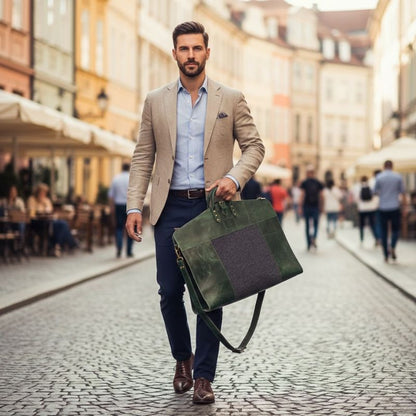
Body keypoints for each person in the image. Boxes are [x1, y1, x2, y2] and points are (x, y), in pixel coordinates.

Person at [125, 21, 264, 405]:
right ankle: (182, 358)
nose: (190, 55)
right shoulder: (155, 100)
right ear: (174, 54)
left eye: (196, 49)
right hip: (168, 207)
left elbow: (254, 147)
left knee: (210, 295)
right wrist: (135, 205)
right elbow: (143, 157)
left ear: (207, 52)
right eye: (183, 49)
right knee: (170, 291)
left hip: (213, 210)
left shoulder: (230, 98)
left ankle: (203, 377)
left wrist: (234, 179)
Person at [27, 183, 78, 256]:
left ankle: (55, 245)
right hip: (37, 222)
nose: (43, 194)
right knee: (61, 225)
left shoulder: (47, 200)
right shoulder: (32, 199)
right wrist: (40, 203)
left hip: (48, 221)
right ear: (38, 192)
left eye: (45, 192)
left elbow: (50, 211)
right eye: (42, 192)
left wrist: (44, 204)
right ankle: (69, 244)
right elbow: (32, 213)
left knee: (63, 224)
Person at [374, 160, 407, 262]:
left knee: (384, 231)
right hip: (394, 207)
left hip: (383, 207)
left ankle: (385, 255)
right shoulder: (397, 177)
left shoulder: (379, 177)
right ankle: (392, 246)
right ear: (392, 166)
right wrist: (404, 207)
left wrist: (383, 194)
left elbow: (374, 192)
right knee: (395, 230)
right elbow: (403, 192)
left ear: (384, 166)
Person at [108, 163, 133, 258]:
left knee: (119, 228)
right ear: (129, 168)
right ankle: (129, 251)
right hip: (130, 205)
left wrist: (111, 208)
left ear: (121, 167)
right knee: (130, 228)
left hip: (118, 205)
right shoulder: (131, 178)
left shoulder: (116, 179)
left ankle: (119, 249)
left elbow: (111, 196)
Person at [298, 165, 324, 250]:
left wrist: (300, 207)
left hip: (307, 206)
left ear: (307, 173)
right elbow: (321, 196)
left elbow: (302, 195)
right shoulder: (318, 182)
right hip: (315, 206)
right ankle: (314, 238)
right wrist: (322, 206)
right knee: (316, 224)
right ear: (314, 173)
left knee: (307, 225)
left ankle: (309, 243)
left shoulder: (304, 182)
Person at [353, 176, 379, 245]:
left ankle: (361, 239)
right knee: (372, 224)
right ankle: (376, 238)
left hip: (362, 208)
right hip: (371, 208)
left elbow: (356, 198)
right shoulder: (371, 186)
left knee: (361, 225)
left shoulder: (357, 187)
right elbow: (375, 196)